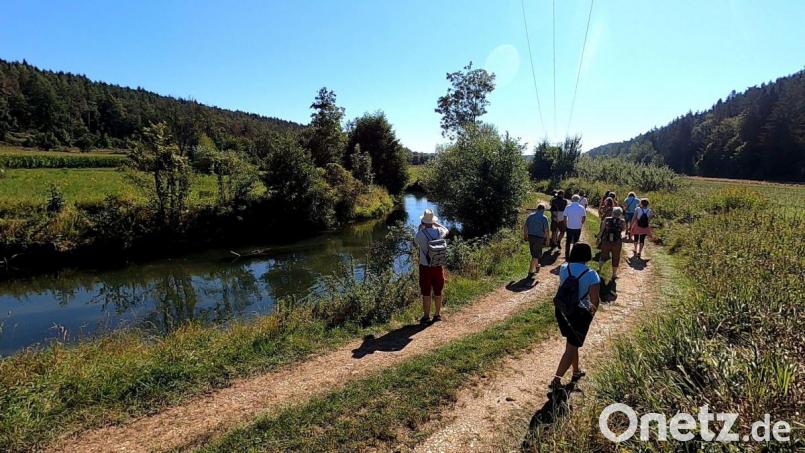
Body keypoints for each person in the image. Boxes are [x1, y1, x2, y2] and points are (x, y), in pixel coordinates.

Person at [550, 243, 601, 389]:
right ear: (588, 255)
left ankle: (576, 371)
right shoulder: (592, 275)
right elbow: (594, 300)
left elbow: (554, 273)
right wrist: (590, 316)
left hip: (562, 311)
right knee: (571, 347)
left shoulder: (565, 268)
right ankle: (556, 380)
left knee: (572, 344)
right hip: (579, 314)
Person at [414, 209, 449, 323]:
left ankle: (426, 316)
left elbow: (415, 241)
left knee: (426, 292)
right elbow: (446, 230)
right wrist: (435, 224)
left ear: (423, 222)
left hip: (425, 267)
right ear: (433, 221)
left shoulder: (420, 234)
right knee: (438, 291)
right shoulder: (439, 231)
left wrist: (422, 227)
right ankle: (437, 315)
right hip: (438, 265)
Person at [598, 207, 626, 279]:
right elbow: (623, 231)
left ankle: (600, 269)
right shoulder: (622, 221)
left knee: (603, 255)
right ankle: (614, 274)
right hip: (617, 242)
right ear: (620, 214)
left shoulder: (607, 219)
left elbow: (602, 230)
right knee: (616, 257)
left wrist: (599, 238)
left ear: (612, 212)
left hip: (606, 240)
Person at [523, 203, 550, 277]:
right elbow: (546, 230)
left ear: (537, 209)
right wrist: (547, 239)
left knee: (534, 252)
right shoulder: (544, 218)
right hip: (539, 238)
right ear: (543, 209)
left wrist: (525, 235)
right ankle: (530, 271)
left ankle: (537, 265)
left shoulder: (530, 216)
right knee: (535, 253)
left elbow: (525, 227)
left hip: (531, 237)